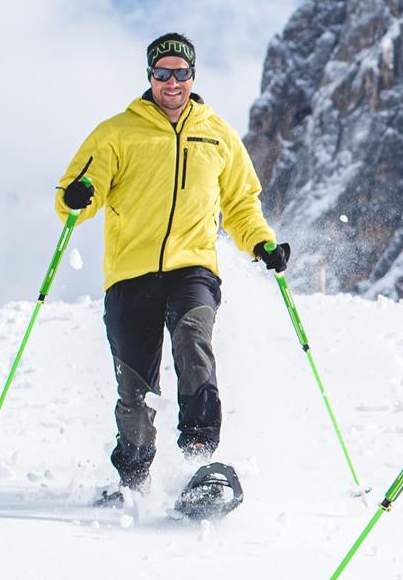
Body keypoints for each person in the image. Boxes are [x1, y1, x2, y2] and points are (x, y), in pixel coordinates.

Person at [54, 32, 290, 493]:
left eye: (181, 73)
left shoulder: (217, 133)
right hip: (131, 273)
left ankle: (198, 461)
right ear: (150, 77)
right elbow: (76, 195)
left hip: (193, 267)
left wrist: (261, 243)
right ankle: (133, 479)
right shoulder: (117, 132)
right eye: (163, 73)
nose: (172, 82)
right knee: (135, 383)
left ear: (193, 76)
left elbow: (241, 202)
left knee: (193, 340)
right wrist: (77, 198)